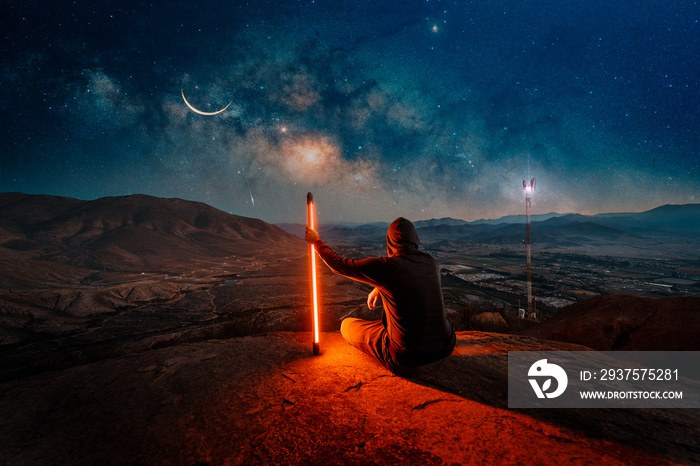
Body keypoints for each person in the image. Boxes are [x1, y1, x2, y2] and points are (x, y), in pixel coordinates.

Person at [305, 217, 455, 377]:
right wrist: (378, 287)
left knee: (346, 325)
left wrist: (316, 242)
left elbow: (341, 265)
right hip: (445, 349)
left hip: (409, 361)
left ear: (390, 241)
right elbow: (407, 278)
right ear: (415, 239)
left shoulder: (388, 267)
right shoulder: (431, 263)